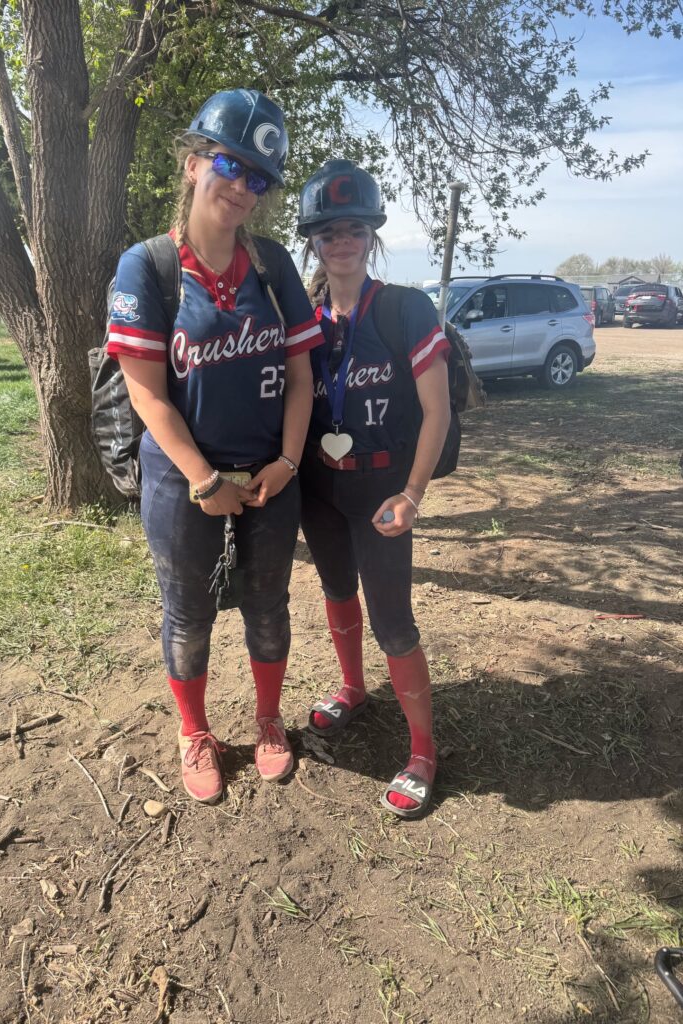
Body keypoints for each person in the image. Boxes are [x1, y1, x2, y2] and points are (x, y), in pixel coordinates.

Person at [106, 89, 323, 805]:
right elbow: (147, 395)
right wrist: (204, 480)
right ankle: (194, 732)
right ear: (194, 163)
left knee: (268, 605)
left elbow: (301, 377)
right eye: (231, 164)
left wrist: (286, 462)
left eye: (258, 178)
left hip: (269, 475)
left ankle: (268, 720)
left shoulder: (273, 265)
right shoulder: (148, 267)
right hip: (183, 479)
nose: (242, 187)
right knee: (188, 613)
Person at [297, 159, 451, 819]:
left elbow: (438, 412)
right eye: (329, 232)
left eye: (354, 229)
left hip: (385, 492)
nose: (342, 242)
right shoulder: (304, 318)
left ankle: (423, 752)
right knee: (336, 591)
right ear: (314, 241)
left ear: (372, 235)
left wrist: (413, 493)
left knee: (393, 620)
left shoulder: (403, 308)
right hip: (320, 490)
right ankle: (353, 688)